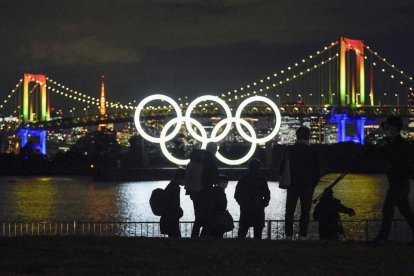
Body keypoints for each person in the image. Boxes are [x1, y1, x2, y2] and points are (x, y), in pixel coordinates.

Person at [374, 116, 414, 245]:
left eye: (389, 127)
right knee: (405, 210)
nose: (386, 129)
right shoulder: (394, 143)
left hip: (399, 182)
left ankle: (382, 238)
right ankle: (382, 238)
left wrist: (382, 149)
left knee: (388, 208)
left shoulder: (400, 144)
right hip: (400, 183)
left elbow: (395, 159)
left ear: (395, 128)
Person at [283, 126, 320, 240]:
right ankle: (302, 235)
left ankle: (288, 235)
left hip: (292, 184)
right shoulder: (312, 151)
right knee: (305, 211)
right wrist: (313, 184)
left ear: (297, 135)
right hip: (307, 185)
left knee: (289, 210)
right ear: (308, 136)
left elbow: (282, 168)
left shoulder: (289, 150)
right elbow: (317, 171)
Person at [188, 142, 219, 238]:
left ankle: (194, 238)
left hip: (195, 191)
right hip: (206, 191)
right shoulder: (210, 159)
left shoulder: (197, 158)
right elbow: (214, 176)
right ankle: (203, 238)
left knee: (198, 216)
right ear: (214, 150)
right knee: (209, 217)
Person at [235, 158, 271, 239]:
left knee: (242, 232)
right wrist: (264, 203)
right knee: (258, 234)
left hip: (245, 209)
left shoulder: (243, 179)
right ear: (259, 167)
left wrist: (242, 203)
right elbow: (267, 194)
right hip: (259, 209)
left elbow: (237, 195)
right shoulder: (262, 180)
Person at [160, 168, 185, 238]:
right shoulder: (175, 188)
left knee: (172, 238)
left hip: (167, 218)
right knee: (176, 237)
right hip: (172, 219)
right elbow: (174, 204)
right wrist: (179, 211)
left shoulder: (171, 186)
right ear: (180, 178)